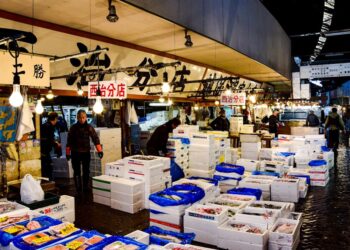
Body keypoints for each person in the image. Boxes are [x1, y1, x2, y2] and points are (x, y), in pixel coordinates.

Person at [66, 110, 103, 193]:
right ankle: (78, 188)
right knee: (76, 171)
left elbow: (95, 139)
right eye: (80, 117)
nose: (82, 119)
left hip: (86, 153)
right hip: (75, 153)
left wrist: (99, 150)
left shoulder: (89, 127)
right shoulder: (73, 128)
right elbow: (69, 141)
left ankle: (85, 187)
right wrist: (68, 153)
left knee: (86, 170)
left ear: (86, 117)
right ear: (77, 118)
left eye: (83, 117)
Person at [40, 112, 60, 181]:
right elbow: (50, 139)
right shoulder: (50, 127)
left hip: (41, 150)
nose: (57, 121)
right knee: (48, 167)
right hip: (45, 151)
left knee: (45, 167)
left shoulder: (44, 125)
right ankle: (48, 181)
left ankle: (46, 180)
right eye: (57, 119)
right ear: (55, 119)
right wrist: (56, 144)